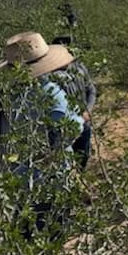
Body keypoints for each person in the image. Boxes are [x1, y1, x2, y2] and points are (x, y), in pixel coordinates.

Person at [0, 32, 84, 255]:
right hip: (50, 182)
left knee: (21, 245)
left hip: (10, 182)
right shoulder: (48, 90)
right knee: (47, 246)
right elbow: (74, 127)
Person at [50, 37, 97, 170]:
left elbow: (91, 89)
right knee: (65, 157)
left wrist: (88, 110)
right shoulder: (50, 76)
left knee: (83, 154)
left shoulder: (80, 68)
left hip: (84, 121)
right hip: (65, 125)